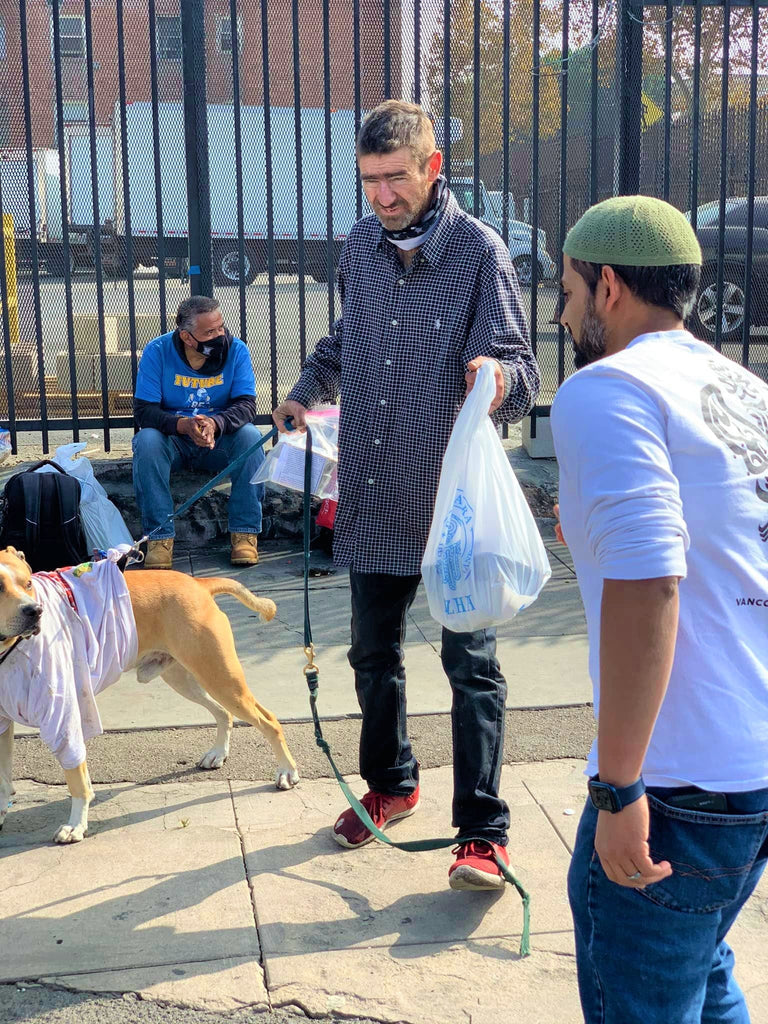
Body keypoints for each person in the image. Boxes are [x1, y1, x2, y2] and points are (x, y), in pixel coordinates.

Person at [272, 100, 540, 890]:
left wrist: (495, 383)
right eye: (369, 181)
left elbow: (525, 373)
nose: (382, 196)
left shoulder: (480, 254)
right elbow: (345, 339)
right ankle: (391, 783)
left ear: (432, 169)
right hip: (376, 486)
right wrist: (306, 386)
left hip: (452, 500)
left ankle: (484, 833)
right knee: (370, 652)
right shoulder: (359, 245)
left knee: (472, 664)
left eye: (395, 178)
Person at [551, 195, 768, 1023]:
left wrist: (618, 787)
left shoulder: (608, 390)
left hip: (680, 781)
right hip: (749, 764)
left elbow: (650, 583)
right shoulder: (742, 389)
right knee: (706, 975)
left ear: (608, 285)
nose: (566, 315)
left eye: (568, 293)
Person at [133, 295, 265, 569]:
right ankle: (159, 538)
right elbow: (144, 411)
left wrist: (216, 424)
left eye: (221, 328)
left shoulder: (236, 350)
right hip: (175, 441)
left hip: (218, 441)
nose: (219, 336)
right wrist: (182, 425)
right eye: (210, 332)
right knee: (146, 440)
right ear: (187, 337)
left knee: (251, 437)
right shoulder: (157, 351)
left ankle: (245, 533)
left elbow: (246, 406)